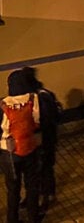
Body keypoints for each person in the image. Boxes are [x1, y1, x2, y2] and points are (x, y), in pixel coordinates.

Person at [2, 69, 42, 223]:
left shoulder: (3, 104)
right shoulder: (33, 99)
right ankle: (34, 216)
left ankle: (12, 219)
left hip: (9, 151)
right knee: (32, 185)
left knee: (13, 189)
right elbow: (37, 122)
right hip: (29, 146)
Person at [21, 67, 60, 212]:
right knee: (39, 169)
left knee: (44, 169)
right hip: (42, 139)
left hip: (44, 139)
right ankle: (41, 195)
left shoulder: (41, 96)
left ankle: (47, 196)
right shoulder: (41, 94)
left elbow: (49, 120)